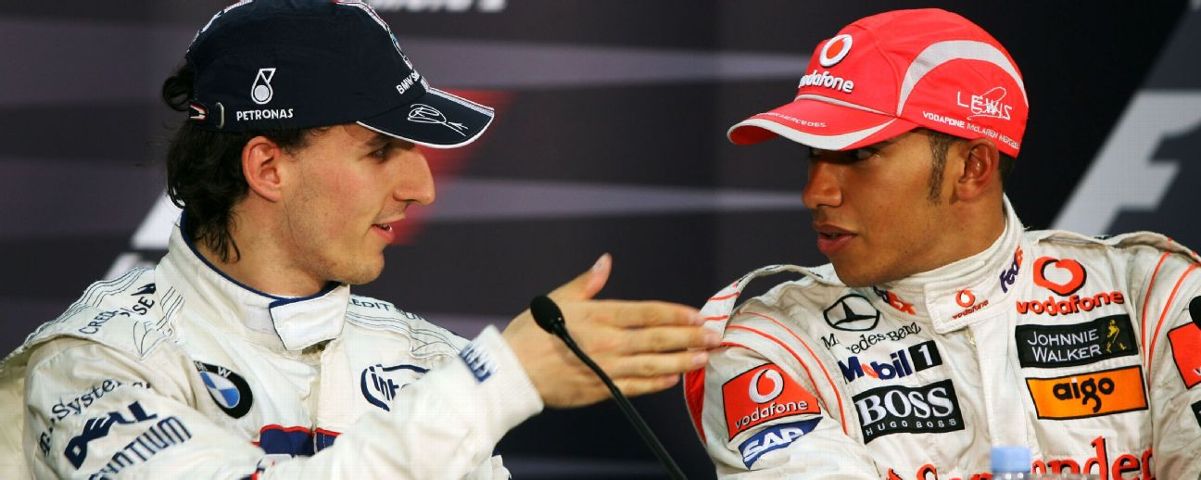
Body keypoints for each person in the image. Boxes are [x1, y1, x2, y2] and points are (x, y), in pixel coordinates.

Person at [0, 1, 719, 478]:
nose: (422, 187)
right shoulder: (94, 363)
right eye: (380, 150)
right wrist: (497, 385)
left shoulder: (429, 361)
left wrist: (480, 386)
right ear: (267, 166)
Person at [684, 8, 1201, 479]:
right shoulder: (770, 347)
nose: (815, 192)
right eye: (813, 154)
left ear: (972, 167)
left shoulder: (1155, 298)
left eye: (858, 155)